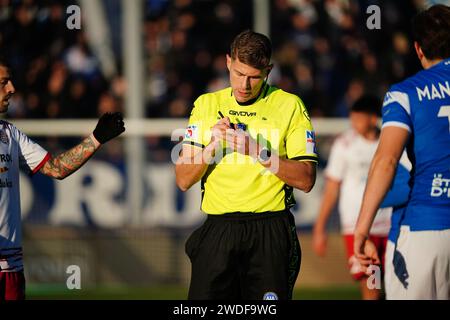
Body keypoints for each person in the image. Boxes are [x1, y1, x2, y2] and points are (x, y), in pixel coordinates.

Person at [175, 30, 318, 300]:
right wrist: (212, 147)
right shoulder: (206, 104)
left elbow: (306, 179)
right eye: (239, 74)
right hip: (219, 229)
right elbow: (183, 179)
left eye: (254, 76)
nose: (245, 85)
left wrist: (256, 151)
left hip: (270, 230)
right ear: (228, 62)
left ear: (269, 70)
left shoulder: (290, 106)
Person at [0, 58, 125, 300]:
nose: (12, 88)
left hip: (10, 268)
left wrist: (97, 138)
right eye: (4, 82)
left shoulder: (10, 134)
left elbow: (56, 168)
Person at [354, 4, 450, 300]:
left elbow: (386, 160)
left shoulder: (405, 93)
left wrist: (362, 230)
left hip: (423, 227)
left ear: (418, 49)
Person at [312, 95, 392, 300]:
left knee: (395, 287)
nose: (354, 124)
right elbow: (331, 188)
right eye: (352, 118)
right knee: (371, 284)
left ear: (373, 119)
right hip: (358, 228)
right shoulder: (345, 144)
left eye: (359, 119)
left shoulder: (390, 142)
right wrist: (320, 228)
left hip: (391, 225)